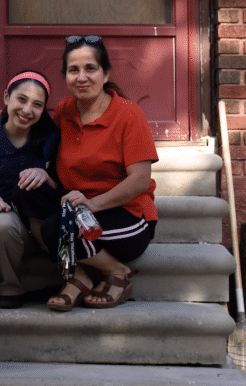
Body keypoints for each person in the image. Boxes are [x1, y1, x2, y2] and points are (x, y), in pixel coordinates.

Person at [40, 35, 159, 311]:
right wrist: (3, 125)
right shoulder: (64, 111)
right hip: (77, 209)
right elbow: (33, 138)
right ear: (65, 77)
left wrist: (93, 204)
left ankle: (117, 272)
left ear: (105, 74)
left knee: (56, 227)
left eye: (90, 69)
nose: (82, 77)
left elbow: (140, 180)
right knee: (25, 191)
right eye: (73, 70)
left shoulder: (129, 114)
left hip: (125, 216)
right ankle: (79, 276)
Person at [0, 70, 60, 309]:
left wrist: (45, 175)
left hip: (22, 233)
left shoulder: (48, 141)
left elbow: (59, 191)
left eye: (37, 105)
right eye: (21, 99)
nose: (27, 110)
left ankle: (11, 286)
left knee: (4, 222)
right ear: (6, 97)